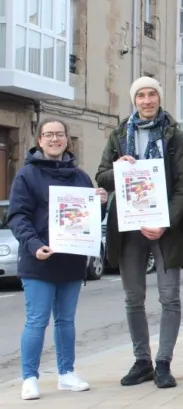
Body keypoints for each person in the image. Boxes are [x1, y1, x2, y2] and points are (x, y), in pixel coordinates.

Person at [95, 76, 183, 389]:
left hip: (165, 228)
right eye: (141, 95)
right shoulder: (118, 135)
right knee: (133, 298)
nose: (147, 100)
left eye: (152, 95)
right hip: (129, 227)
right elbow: (101, 177)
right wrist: (118, 168)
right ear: (134, 100)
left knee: (170, 297)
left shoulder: (175, 136)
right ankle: (143, 361)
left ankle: (163, 362)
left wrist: (166, 220)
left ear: (159, 99)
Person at [7, 117, 108, 400]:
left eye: (59, 134)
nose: (54, 139)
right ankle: (29, 378)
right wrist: (34, 245)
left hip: (70, 262)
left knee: (66, 321)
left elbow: (90, 220)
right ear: (39, 140)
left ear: (67, 140)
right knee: (37, 321)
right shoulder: (27, 176)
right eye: (48, 135)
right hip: (39, 260)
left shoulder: (80, 177)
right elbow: (17, 216)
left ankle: (66, 373)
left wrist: (99, 203)